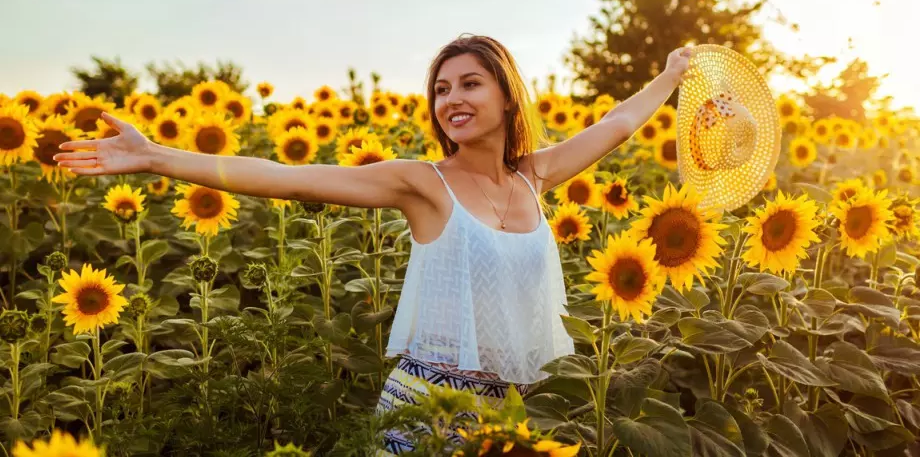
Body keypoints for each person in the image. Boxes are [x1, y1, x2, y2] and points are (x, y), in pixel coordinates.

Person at [54, 34, 691, 454]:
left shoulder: (535, 175)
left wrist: (670, 76)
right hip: (423, 413)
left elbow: (616, 123)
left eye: (469, 84)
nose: (451, 100)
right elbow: (288, 178)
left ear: (506, 94)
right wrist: (155, 158)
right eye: (441, 90)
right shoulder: (423, 183)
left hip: (506, 421)